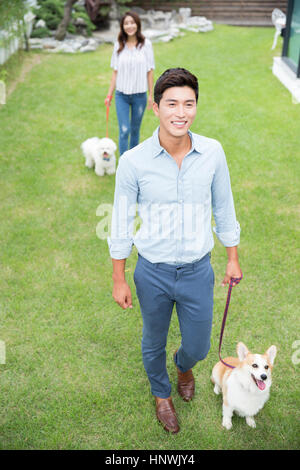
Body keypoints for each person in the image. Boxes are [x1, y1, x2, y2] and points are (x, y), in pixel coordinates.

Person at [108, 68, 242, 434]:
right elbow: (120, 223)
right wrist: (119, 278)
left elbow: (224, 207)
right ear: (155, 107)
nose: (180, 112)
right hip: (152, 271)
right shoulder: (133, 161)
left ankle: (184, 365)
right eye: (172, 104)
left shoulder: (212, 152)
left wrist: (232, 257)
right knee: (153, 338)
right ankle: (161, 394)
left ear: (196, 106)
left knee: (198, 345)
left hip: (198, 270)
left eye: (188, 103)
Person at [105, 11, 155, 156]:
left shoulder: (146, 45)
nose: (129, 26)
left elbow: (150, 71)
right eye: (126, 23)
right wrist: (109, 95)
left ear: (137, 24)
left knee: (134, 131)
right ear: (122, 26)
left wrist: (151, 95)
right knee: (124, 130)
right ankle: (123, 164)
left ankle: (133, 164)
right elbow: (115, 72)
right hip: (122, 96)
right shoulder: (118, 45)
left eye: (132, 22)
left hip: (140, 95)